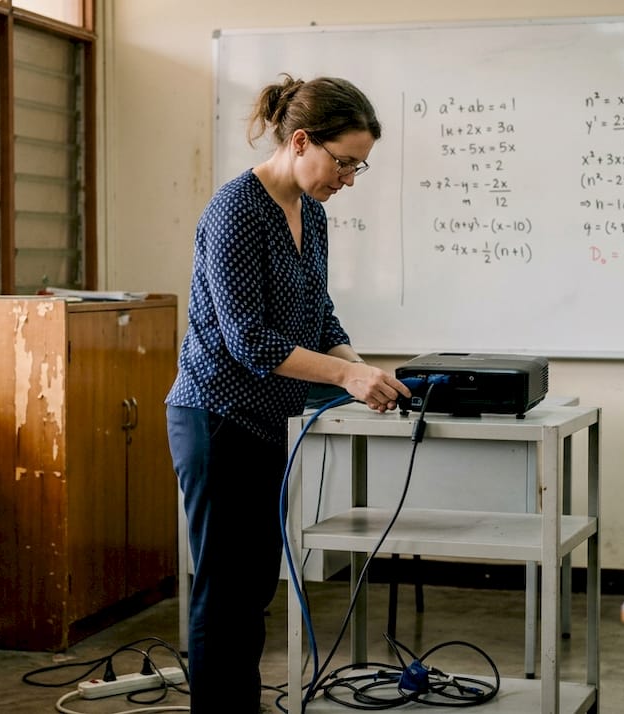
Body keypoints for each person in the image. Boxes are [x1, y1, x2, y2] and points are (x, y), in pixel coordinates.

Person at [165, 74, 411, 711]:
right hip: (215, 417)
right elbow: (250, 340)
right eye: (345, 162)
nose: (349, 179)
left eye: (361, 167)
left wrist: (362, 370)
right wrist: (345, 377)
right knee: (225, 593)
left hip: (265, 421)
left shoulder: (314, 216)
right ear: (301, 141)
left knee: (252, 589)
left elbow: (320, 317)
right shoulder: (235, 211)